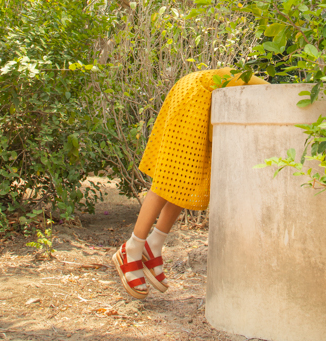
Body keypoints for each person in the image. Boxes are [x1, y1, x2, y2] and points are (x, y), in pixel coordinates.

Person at [112, 66, 267, 297]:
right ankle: (132, 247)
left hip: (207, 101)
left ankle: (153, 245)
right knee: (170, 177)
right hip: (195, 94)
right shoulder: (282, 93)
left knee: (186, 180)